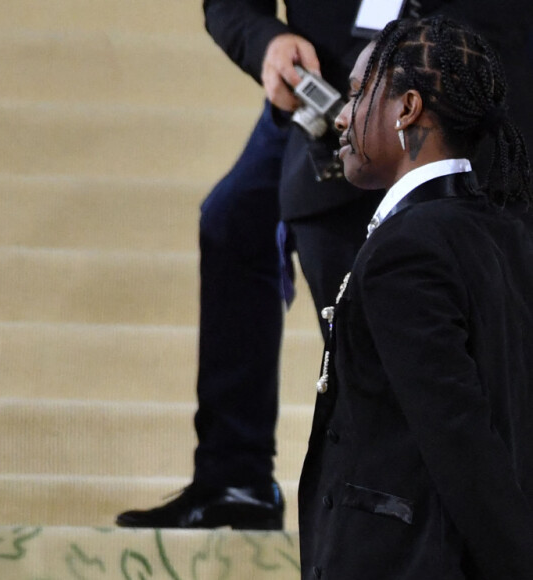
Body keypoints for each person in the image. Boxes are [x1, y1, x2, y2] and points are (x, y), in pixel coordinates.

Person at [116, 1, 533, 530]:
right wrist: (266, 41)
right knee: (234, 219)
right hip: (335, 81)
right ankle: (235, 479)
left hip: (464, 85)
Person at [299, 15, 533, 580]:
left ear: (406, 109)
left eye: (358, 95)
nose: (343, 117)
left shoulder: (406, 250)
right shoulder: (506, 234)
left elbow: (461, 441)